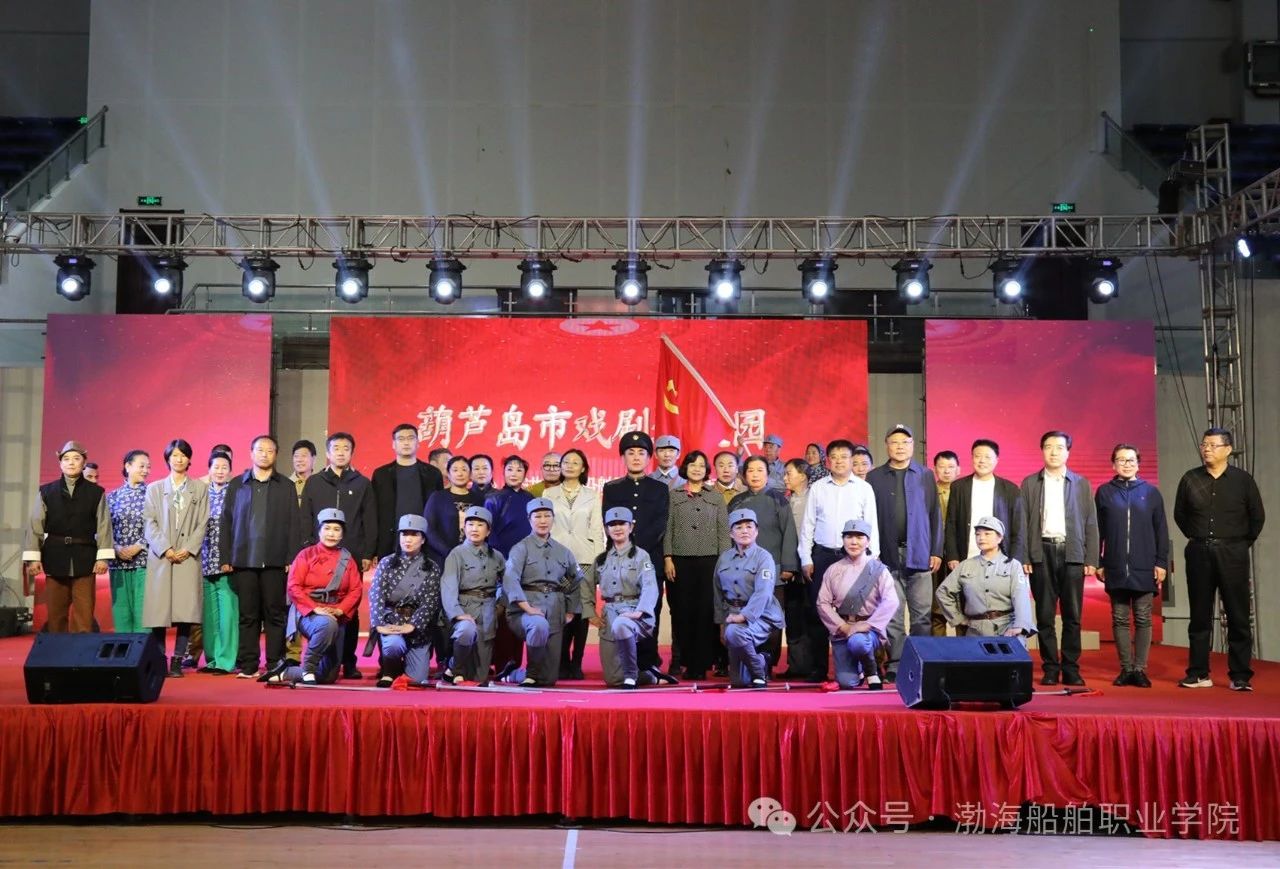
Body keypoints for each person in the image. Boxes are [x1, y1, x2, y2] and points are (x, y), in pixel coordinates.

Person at [1174, 427, 1266, 691]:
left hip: (1233, 552)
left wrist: (1238, 544)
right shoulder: (1190, 478)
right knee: (1199, 616)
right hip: (1199, 551)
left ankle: (1240, 676)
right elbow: (1181, 515)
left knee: (1238, 615)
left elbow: (1257, 517)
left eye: (1213, 445)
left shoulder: (1242, 480)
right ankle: (1198, 673)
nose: (1207, 449)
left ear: (1228, 449)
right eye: (1204, 445)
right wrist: (1198, 536)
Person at [1019, 430, 1099, 687]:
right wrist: (1025, 555)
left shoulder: (1081, 483)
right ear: (1042, 450)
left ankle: (1071, 668)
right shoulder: (1030, 483)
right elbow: (1023, 522)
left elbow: (1091, 522)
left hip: (1072, 553)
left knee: (1072, 615)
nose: (1054, 452)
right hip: (1041, 552)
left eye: (1059, 447)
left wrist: (1091, 558)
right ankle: (1051, 668)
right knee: (1044, 615)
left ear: (1068, 452)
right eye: (1048, 447)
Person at [219, 435, 301, 679]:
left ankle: (275, 663)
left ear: (276, 455)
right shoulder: (237, 485)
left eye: (270, 450)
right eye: (260, 450)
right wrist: (225, 557)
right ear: (251, 453)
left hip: (275, 560)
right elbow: (226, 522)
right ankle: (249, 664)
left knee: (275, 614)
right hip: (244, 560)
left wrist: (292, 558)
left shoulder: (285, 486)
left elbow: (294, 524)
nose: (264, 454)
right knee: (248, 615)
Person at [865, 424, 942, 682]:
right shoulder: (874, 477)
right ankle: (896, 664)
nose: (900, 446)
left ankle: (920, 663)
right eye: (895, 442)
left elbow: (935, 515)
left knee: (922, 616)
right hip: (887, 556)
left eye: (905, 442)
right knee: (892, 614)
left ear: (912, 446)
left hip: (919, 554)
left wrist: (936, 550)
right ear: (887, 445)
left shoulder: (925, 475)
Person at [797, 439, 879, 681]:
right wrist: (806, 557)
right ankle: (819, 668)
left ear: (852, 460)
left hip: (853, 557)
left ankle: (858, 666)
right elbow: (808, 525)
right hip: (822, 556)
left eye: (844, 457)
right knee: (818, 611)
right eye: (834, 457)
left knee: (853, 612)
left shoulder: (864, 488)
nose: (839, 461)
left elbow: (872, 525)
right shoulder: (818, 488)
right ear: (827, 461)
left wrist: (871, 558)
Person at [300, 432, 377, 679]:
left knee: (349, 610)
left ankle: (349, 662)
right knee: (320, 606)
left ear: (352, 453)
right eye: (336, 448)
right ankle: (322, 658)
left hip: (351, 554)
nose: (341, 452)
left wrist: (368, 552)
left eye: (346, 448)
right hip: (318, 555)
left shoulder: (362, 483)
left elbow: (370, 519)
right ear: (327, 452)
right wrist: (307, 546)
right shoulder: (315, 482)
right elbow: (306, 517)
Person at [1096, 444, 1170, 688]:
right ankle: (1126, 669)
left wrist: (1161, 562)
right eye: (1121, 460)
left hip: (1144, 565)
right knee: (1119, 618)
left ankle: (1139, 669)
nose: (1126, 464)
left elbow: (1161, 530)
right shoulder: (1104, 492)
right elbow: (1098, 531)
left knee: (1143, 617)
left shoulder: (1151, 492)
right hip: (1115, 565)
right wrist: (1098, 561)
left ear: (1138, 463)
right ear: (1113, 464)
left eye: (1131, 460)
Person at [602, 431, 673, 682]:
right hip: (619, 560)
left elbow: (660, 523)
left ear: (649, 458)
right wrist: (624, 550)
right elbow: (609, 522)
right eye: (630, 453)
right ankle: (625, 665)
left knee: (648, 610)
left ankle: (648, 663)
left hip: (649, 559)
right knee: (621, 610)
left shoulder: (660, 488)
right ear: (623, 457)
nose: (635, 457)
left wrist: (637, 551)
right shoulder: (612, 488)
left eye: (641, 453)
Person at [22, 441, 113, 633]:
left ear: (83, 463)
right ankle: (57, 650)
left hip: (85, 557)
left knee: (84, 614)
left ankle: (82, 650)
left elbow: (104, 525)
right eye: (66, 459)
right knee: (56, 615)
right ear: (60, 463)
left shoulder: (96, 493)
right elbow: (35, 524)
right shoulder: (47, 491)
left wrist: (103, 558)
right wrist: (33, 558)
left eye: (76, 458)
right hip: (55, 555)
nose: (71, 462)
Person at [141, 439, 210, 677]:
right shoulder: (154, 488)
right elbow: (149, 522)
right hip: (161, 556)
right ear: (168, 459)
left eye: (183, 455)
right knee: (158, 611)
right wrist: (165, 548)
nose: (179, 459)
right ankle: (160, 659)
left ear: (189, 459)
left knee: (185, 610)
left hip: (187, 557)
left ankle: (178, 660)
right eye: (174, 455)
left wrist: (188, 548)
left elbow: (203, 522)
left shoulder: (200, 488)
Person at [272, 508, 363, 684]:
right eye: (327, 528)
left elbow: (356, 590)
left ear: (342, 534)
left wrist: (340, 609)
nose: (331, 534)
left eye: (336, 529)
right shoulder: (306, 555)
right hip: (308, 612)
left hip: (336, 612)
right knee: (327, 624)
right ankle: (308, 666)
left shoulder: (348, 559)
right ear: (319, 531)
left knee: (327, 676)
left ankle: (288, 672)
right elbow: (293, 586)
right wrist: (315, 608)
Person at [501, 498, 583, 687]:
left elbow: (575, 579)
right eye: (537, 516)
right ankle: (530, 674)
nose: (543, 520)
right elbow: (510, 580)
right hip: (524, 611)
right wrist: (527, 608)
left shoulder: (563, 551)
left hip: (555, 611)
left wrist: (570, 610)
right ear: (529, 519)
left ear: (554, 518)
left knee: (548, 679)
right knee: (538, 625)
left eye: (547, 516)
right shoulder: (520, 548)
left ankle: (515, 674)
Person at [729, 455, 799, 675]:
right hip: (743, 573)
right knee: (745, 614)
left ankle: (767, 659)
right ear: (744, 475)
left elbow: (789, 532)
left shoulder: (779, 499)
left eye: (760, 470)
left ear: (768, 475)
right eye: (751, 470)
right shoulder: (736, 502)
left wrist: (788, 566)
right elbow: (729, 537)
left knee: (770, 616)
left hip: (774, 570)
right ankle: (748, 660)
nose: (755, 475)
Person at [664, 450, 730, 680]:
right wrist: (667, 557)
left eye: (702, 465)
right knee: (682, 612)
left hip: (709, 561)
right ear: (685, 468)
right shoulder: (673, 496)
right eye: (693, 464)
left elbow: (724, 533)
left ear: (707, 470)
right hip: (680, 561)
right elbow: (667, 529)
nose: (697, 469)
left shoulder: (716, 497)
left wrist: (724, 563)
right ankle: (685, 661)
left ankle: (701, 664)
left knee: (706, 613)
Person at [816, 519, 898, 689]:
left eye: (859, 537)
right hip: (842, 629)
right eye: (849, 537)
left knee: (858, 642)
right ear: (843, 540)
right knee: (847, 683)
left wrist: (868, 624)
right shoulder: (833, 569)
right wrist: (843, 626)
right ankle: (859, 669)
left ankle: (871, 669)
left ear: (868, 541)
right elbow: (822, 603)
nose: (854, 542)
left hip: (868, 631)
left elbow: (891, 600)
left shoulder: (878, 569)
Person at [584, 507, 659, 688]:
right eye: (612, 524)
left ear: (631, 527)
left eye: (622, 524)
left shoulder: (641, 556)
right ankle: (648, 676)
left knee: (622, 624)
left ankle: (632, 675)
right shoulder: (601, 559)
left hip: (634, 614)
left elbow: (650, 586)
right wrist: (590, 613)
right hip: (609, 616)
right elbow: (585, 586)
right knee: (613, 679)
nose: (617, 528)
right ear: (606, 529)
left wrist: (640, 611)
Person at [546, 448, 602, 680]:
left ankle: (577, 662)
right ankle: (561, 662)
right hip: (557, 559)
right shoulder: (549, 493)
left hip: (585, 559)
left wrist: (598, 563)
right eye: (565, 462)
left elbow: (597, 530)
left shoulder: (592, 495)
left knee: (581, 612)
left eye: (575, 462)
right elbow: (545, 526)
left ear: (583, 468)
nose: (569, 465)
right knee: (560, 610)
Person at [713, 509, 785, 688]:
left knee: (734, 632)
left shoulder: (764, 557)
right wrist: (721, 622)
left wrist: (743, 616)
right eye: (738, 527)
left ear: (756, 531)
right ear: (731, 533)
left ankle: (758, 670)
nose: (744, 531)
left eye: (749, 526)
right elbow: (718, 593)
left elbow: (763, 593)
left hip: (761, 615)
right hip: (732, 615)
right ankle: (761, 660)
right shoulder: (724, 558)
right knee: (739, 682)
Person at [936, 516, 1036, 644]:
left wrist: (1020, 625)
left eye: (987, 534)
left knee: (1014, 652)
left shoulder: (1012, 565)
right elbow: (942, 592)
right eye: (978, 534)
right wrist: (958, 618)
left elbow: (1021, 597)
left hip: (1007, 628)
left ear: (1000, 538)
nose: (981, 538)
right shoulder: (965, 565)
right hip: (976, 630)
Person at [368, 514, 441, 687]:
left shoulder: (432, 567)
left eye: (414, 535)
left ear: (423, 539)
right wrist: (378, 624)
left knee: (417, 680)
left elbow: (430, 602)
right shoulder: (386, 563)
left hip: (417, 626)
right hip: (392, 621)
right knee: (393, 645)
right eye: (404, 534)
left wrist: (412, 625)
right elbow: (376, 595)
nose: (408, 539)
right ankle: (389, 668)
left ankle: (405, 665)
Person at [440, 506, 506, 684]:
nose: (474, 529)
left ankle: (455, 668)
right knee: (465, 631)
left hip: (488, 613)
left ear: (488, 531)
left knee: (479, 677)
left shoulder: (497, 556)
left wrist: (500, 605)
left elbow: (506, 584)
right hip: (464, 609)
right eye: (470, 524)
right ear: (464, 528)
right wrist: (457, 614)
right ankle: (455, 667)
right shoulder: (456, 554)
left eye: (480, 525)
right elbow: (448, 587)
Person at [944, 440, 1026, 570]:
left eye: (987, 457)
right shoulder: (958, 487)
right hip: (966, 558)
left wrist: (1015, 560)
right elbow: (951, 524)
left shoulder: (1010, 489)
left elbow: (1018, 528)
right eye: (977, 456)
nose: (982, 461)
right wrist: (952, 555)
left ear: (996, 460)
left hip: (1001, 560)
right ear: (972, 458)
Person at [371, 423, 444, 558]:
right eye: (401, 439)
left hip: (426, 543)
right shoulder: (381, 475)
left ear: (418, 443)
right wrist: (373, 549)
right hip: (390, 543)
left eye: (410, 438)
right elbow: (373, 512)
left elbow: (440, 510)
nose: (406, 443)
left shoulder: (432, 474)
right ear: (393, 444)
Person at [199, 450, 237, 674]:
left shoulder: (235, 493)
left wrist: (231, 557)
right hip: (203, 559)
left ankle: (226, 660)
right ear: (209, 469)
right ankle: (212, 658)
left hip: (226, 561)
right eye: (216, 467)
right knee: (210, 614)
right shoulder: (201, 493)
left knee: (227, 613)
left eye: (224, 467)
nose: (220, 471)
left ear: (230, 471)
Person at [107, 450, 151, 633]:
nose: (146, 470)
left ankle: (143, 649)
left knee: (143, 612)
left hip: (144, 561)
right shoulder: (112, 497)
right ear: (128, 466)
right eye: (142, 466)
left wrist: (139, 545)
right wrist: (116, 547)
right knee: (121, 611)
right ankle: (124, 649)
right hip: (118, 562)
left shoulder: (152, 495)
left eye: (148, 467)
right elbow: (102, 528)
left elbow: (160, 526)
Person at [779, 458, 814, 676]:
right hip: (789, 567)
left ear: (802, 475)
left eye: (788, 473)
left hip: (810, 566)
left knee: (811, 616)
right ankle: (795, 665)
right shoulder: (785, 500)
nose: (785, 478)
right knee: (792, 617)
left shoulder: (814, 498)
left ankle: (812, 665)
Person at [424, 456, 486, 568]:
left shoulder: (479, 499)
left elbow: (485, 528)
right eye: (455, 470)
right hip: (443, 558)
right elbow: (429, 529)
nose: (460, 474)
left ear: (470, 474)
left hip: (473, 559)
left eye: (464, 469)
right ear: (448, 474)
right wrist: (448, 552)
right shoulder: (438, 497)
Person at [931, 450, 960, 636]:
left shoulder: (965, 492)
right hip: (934, 555)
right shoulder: (928, 492)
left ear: (958, 469)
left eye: (951, 467)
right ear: (935, 469)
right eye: (942, 466)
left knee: (962, 605)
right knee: (935, 607)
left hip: (958, 555)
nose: (946, 471)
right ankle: (937, 648)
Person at [485, 455, 534, 557]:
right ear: (504, 473)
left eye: (519, 470)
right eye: (510, 469)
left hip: (528, 555)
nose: (513, 474)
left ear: (525, 474)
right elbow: (488, 531)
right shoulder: (494, 499)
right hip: (501, 556)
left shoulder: (530, 498)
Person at [289, 440, 316, 506]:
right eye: (296, 456)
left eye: (303, 456)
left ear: (314, 459)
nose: (299, 460)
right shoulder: (286, 485)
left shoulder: (320, 484)